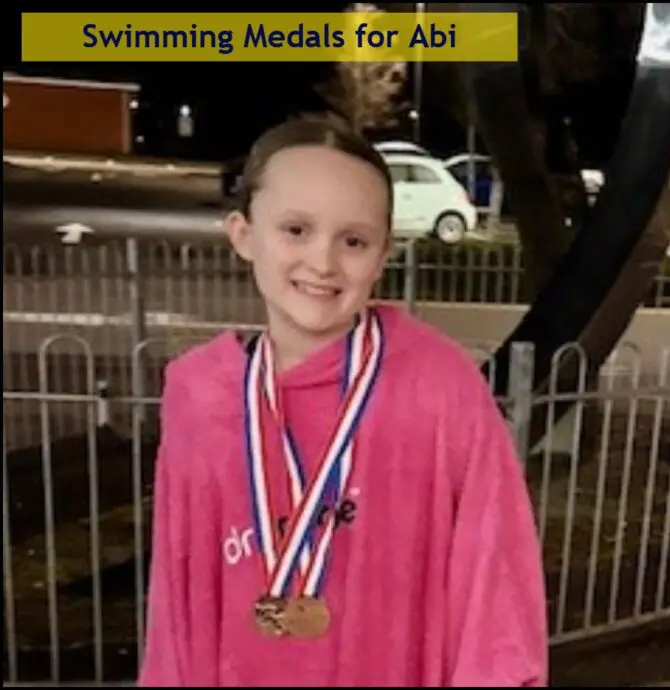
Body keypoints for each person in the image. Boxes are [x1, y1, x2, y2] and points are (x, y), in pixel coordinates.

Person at [137, 113, 549, 687]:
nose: (324, 262)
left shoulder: (441, 388)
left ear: (383, 256)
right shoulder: (197, 395)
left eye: (353, 241)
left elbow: (498, 591)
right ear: (243, 234)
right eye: (296, 230)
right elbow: (175, 607)